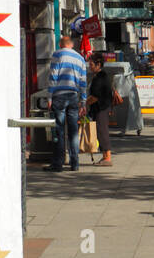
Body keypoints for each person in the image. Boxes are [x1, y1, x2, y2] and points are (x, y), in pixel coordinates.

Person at [46, 35, 87, 172]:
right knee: (73, 131)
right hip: (74, 96)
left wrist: (49, 97)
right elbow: (83, 82)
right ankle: (75, 163)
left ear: (60, 44)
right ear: (72, 44)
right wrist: (84, 101)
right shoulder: (80, 58)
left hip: (59, 96)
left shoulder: (57, 55)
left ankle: (58, 163)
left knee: (59, 130)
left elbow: (53, 76)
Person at [86, 54, 115, 165]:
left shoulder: (100, 77)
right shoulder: (100, 76)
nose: (90, 67)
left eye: (91, 64)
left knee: (102, 131)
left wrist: (84, 103)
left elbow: (95, 96)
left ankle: (107, 157)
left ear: (98, 65)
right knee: (100, 131)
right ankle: (105, 156)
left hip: (101, 108)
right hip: (102, 107)